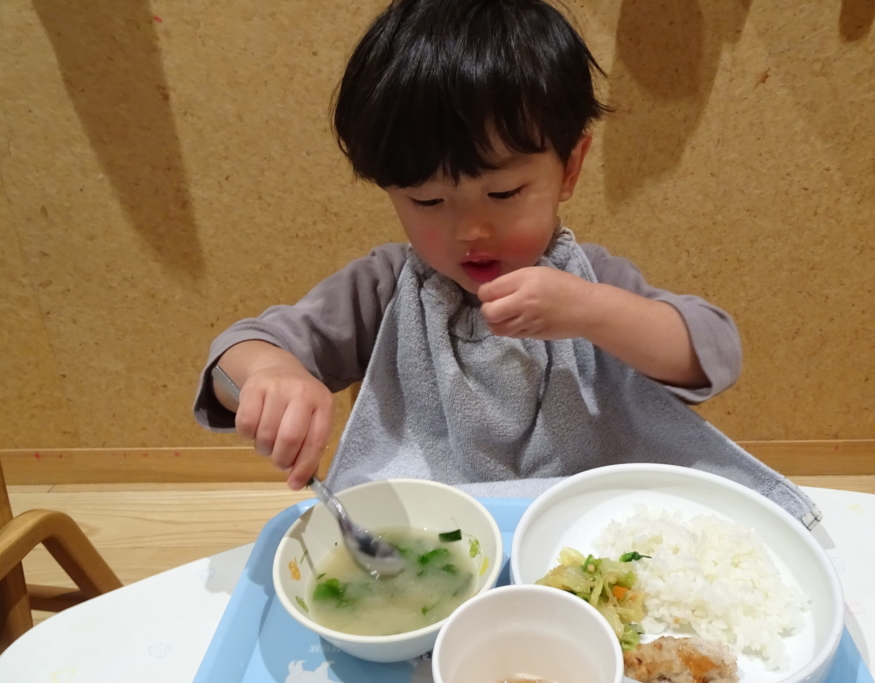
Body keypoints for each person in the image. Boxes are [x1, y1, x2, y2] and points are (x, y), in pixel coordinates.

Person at [193, 0, 818, 527]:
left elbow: (713, 353)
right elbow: (237, 353)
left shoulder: (587, 281)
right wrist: (269, 373)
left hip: (579, 528)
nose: (470, 230)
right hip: (426, 533)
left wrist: (592, 312)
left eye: (503, 193)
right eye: (427, 201)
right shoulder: (384, 289)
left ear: (569, 168)